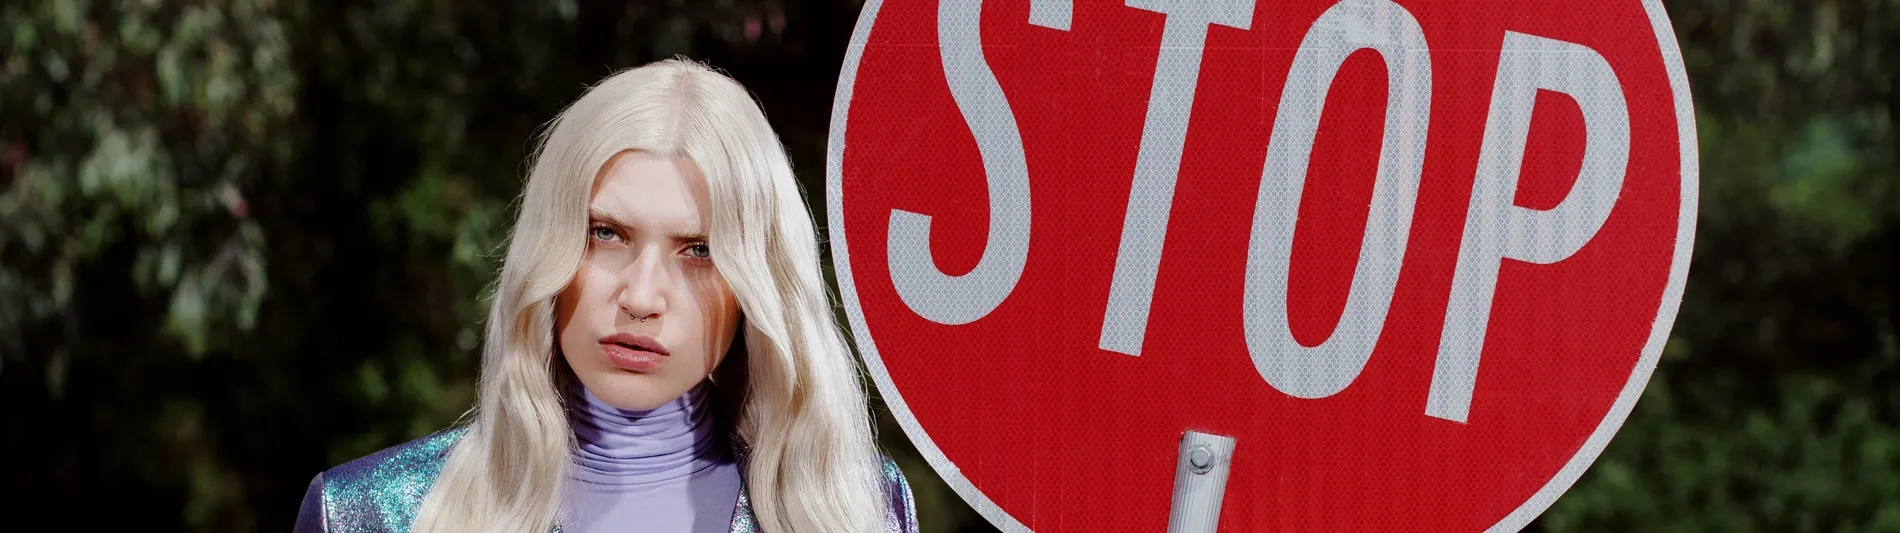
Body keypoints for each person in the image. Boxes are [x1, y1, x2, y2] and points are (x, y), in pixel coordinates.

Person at [293, 58, 917, 533]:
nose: (641, 297)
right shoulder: (364, 515)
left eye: (698, 250)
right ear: (548, 247)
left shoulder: (861, 510)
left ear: (757, 283)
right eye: (606, 234)